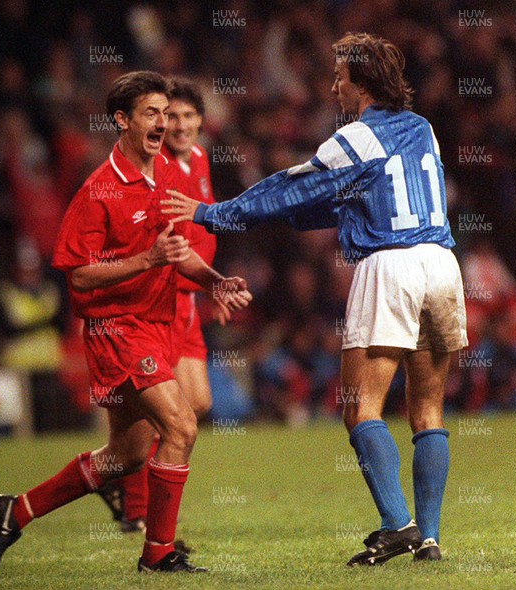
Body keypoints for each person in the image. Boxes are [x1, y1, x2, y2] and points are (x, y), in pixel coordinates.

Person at [162, 33, 468, 565]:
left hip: (389, 267)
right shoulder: (424, 131)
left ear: (363, 84)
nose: (333, 87)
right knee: (428, 410)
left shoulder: (354, 137)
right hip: (442, 266)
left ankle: (399, 525)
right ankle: (432, 539)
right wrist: (295, 215)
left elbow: (289, 187)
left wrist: (210, 213)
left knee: (359, 409)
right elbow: (357, 199)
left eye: (340, 78)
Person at [0, 71, 252, 575]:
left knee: (125, 457)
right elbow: (80, 276)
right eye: (151, 113)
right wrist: (146, 262)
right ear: (122, 121)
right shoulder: (98, 190)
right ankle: (158, 554)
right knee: (182, 426)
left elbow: (177, 250)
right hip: (115, 329)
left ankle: (15, 511)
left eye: (166, 112)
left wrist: (214, 280)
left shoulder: (167, 172)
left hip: (155, 324)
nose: (163, 122)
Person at [96, 78, 221, 533]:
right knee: (171, 414)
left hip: (189, 298)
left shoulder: (201, 160)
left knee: (195, 405)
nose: (180, 124)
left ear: (201, 121)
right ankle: (136, 504)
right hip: (160, 300)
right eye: (173, 117)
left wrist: (215, 287)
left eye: (189, 116)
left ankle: (124, 478)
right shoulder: (159, 168)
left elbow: (201, 234)